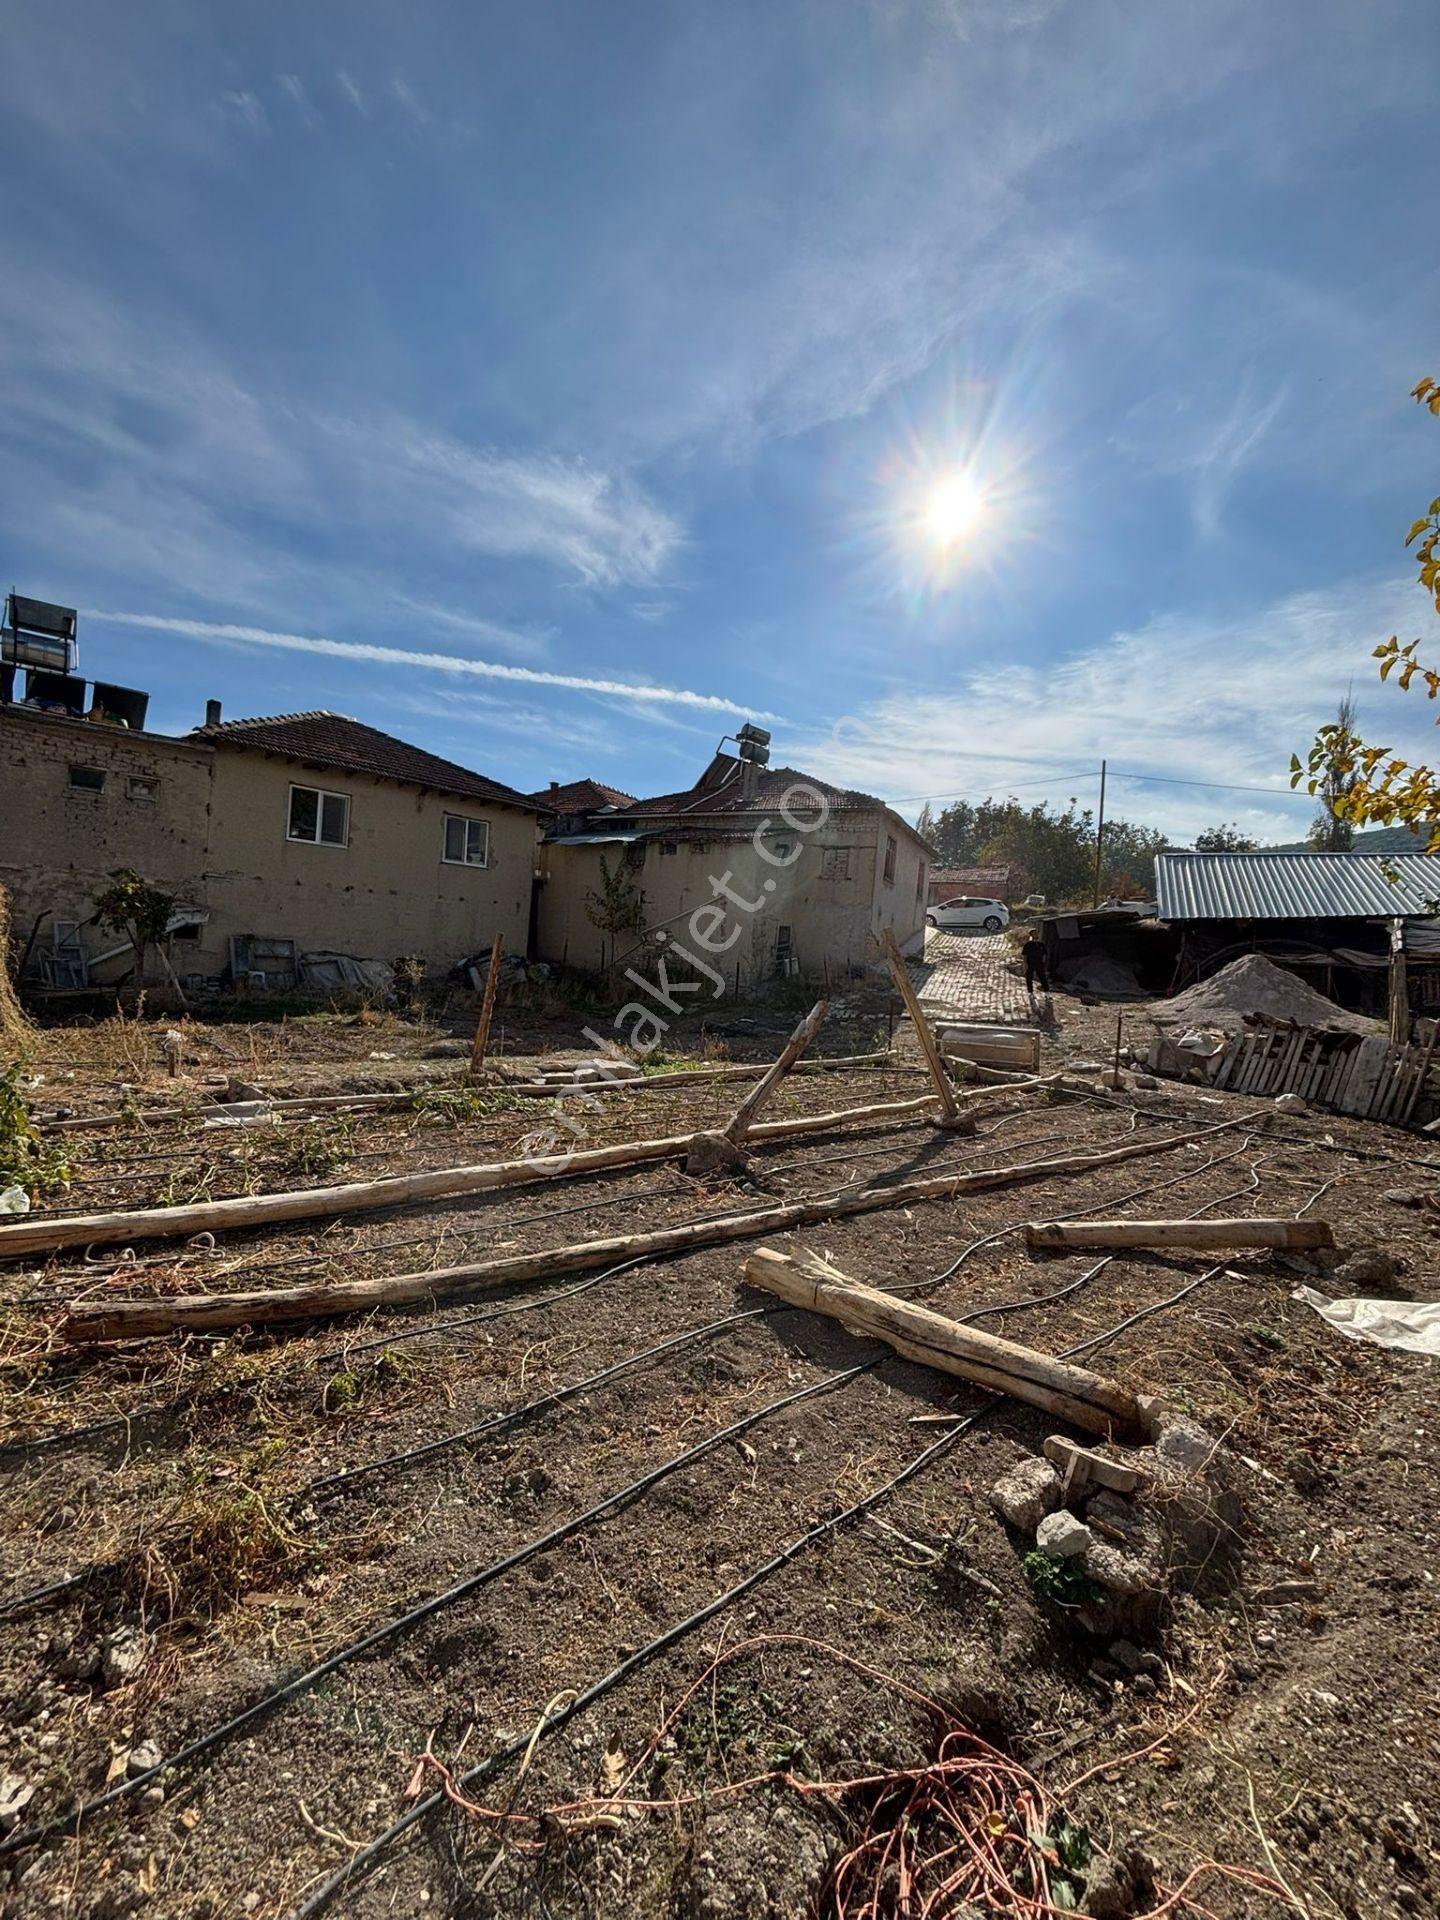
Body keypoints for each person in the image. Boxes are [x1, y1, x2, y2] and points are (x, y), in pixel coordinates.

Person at [1022, 930, 1051, 996]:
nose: (1035, 935)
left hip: (1039, 964)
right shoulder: (1028, 945)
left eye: (1036, 934)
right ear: (1031, 935)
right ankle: (1030, 992)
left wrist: (1043, 963)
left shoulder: (1041, 944)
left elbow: (1044, 954)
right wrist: (1025, 964)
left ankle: (1047, 992)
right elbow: (1025, 955)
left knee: (1042, 977)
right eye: (1034, 934)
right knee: (1029, 978)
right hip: (1030, 963)